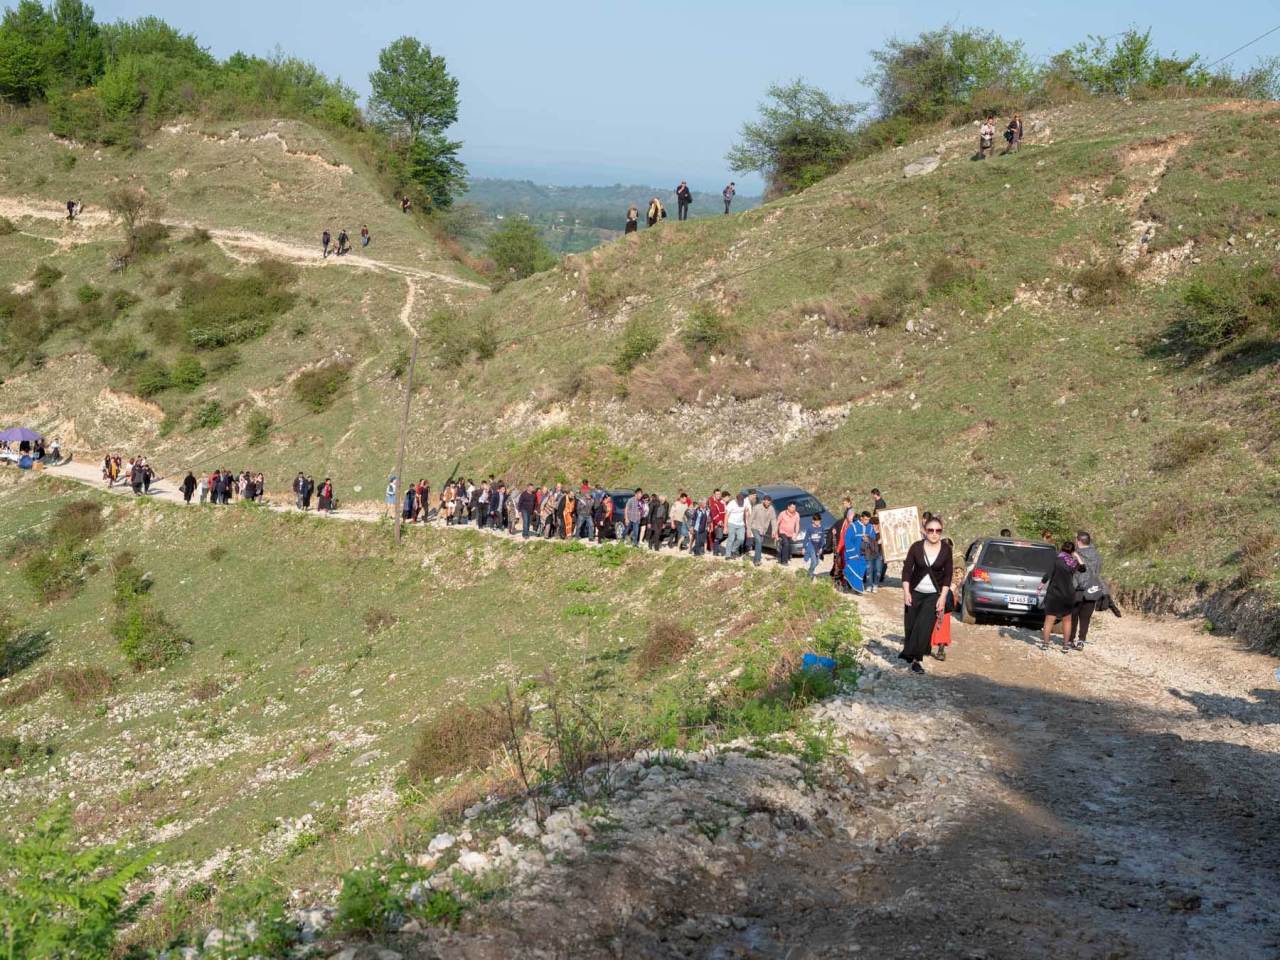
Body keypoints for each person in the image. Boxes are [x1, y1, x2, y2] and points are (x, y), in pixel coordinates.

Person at [900, 518, 953, 674]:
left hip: (933, 594)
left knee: (923, 627)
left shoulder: (946, 549)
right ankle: (909, 652)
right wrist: (906, 592)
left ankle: (916, 661)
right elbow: (907, 570)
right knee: (911, 625)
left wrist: (942, 597)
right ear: (925, 531)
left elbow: (948, 575)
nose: (934, 534)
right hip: (915, 592)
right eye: (931, 530)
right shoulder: (916, 547)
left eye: (938, 531)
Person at [1041, 541, 1083, 652]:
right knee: (1067, 620)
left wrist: (1041, 585)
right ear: (1072, 551)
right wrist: (1077, 557)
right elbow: (1083, 569)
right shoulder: (1073, 563)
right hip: (1068, 594)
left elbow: (1048, 574)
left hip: (1054, 593)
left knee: (1049, 619)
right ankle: (1065, 646)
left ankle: (1045, 644)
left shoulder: (1057, 560)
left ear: (1062, 549)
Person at [1070, 531, 1104, 650]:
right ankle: (1081, 641)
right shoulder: (1097, 555)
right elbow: (1098, 571)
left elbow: (1071, 570)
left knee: (1073, 615)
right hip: (1092, 588)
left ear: (1078, 541)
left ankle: (1070, 640)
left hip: (1077, 588)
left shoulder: (1075, 554)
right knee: (1085, 617)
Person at [842, 511, 871, 593]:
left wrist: (868, 540)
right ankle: (846, 586)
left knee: (860, 571)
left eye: (868, 520)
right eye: (865, 519)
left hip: (863, 554)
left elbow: (873, 538)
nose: (867, 522)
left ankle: (857, 588)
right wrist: (853, 553)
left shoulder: (870, 527)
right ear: (861, 518)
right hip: (853, 554)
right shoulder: (853, 527)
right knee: (851, 569)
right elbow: (847, 540)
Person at [749, 495, 776, 566]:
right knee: (758, 541)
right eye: (766, 501)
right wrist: (748, 530)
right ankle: (757, 560)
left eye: (769, 502)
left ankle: (757, 558)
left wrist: (774, 531)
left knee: (760, 543)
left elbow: (773, 520)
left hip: (763, 529)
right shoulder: (757, 507)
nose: (767, 503)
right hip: (755, 527)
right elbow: (751, 519)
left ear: (770, 502)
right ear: (763, 501)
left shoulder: (771, 509)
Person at [722, 492, 749, 559]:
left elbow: (746, 513)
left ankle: (733, 549)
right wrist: (725, 527)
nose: (740, 502)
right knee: (731, 539)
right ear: (736, 499)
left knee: (741, 539)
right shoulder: (731, 504)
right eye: (739, 500)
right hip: (731, 523)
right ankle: (728, 555)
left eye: (742, 500)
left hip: (741, 524)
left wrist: (747, 523)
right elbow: (726, 516)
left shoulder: (745, 503)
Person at [804, 514, 825, 579]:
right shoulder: (810, 528)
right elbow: (806, 538)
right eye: (816, 521)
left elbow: (822, 539)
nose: (818, 523)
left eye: (819, 521)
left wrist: (821, 547)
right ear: (813, 521)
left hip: (818, 547)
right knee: (814, 562)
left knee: (817, 562)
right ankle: (810, 574)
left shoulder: (822, 528)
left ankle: (809, 571)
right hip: (811, 546)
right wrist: (804, 547)